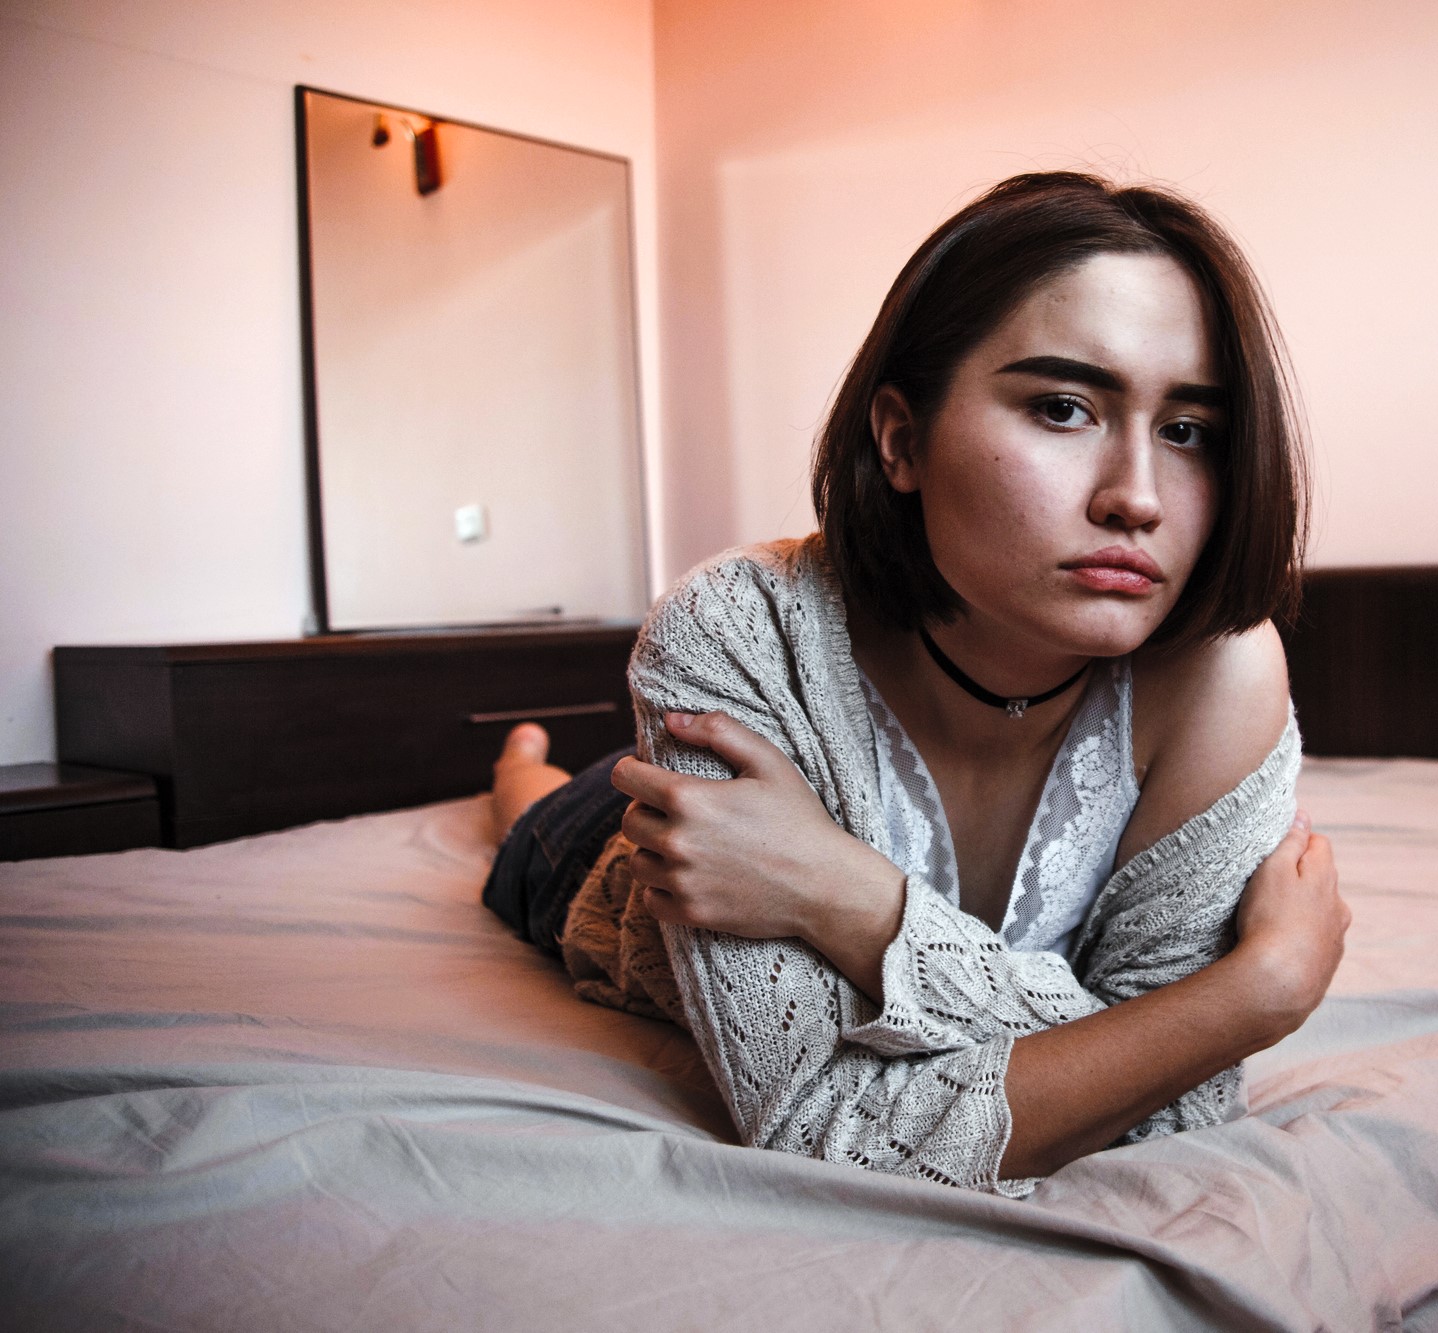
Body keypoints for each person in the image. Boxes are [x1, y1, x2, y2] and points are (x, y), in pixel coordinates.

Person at [482, 172, 1348, 1196]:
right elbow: (817, 1122)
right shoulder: (736, 627)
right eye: (1063, 408)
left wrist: (841, 896)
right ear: (900, 438)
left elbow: (1178, 1101)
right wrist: (1244, 997)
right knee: (542, 821)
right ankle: (514, 768)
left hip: (780, 839)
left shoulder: (1217, 671)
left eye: (1187, 429)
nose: (1136, 498)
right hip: (617, 867)